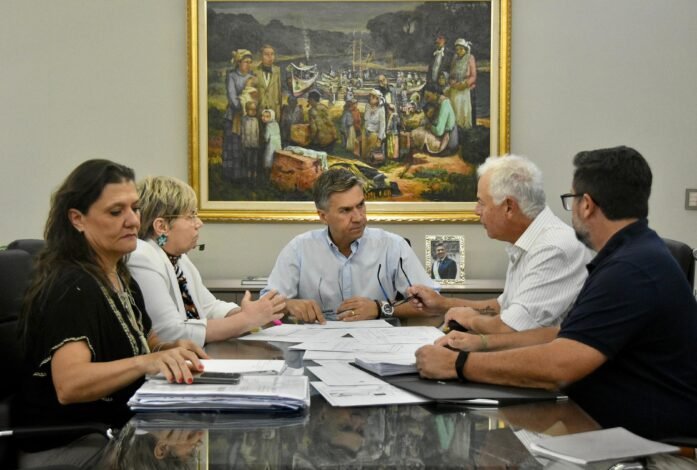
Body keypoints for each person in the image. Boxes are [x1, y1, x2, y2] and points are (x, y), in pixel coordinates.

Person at [415, 146, 697, 440]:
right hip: (598, 425)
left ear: (586, 205)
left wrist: (458, 364)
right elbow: (565, 335)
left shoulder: (630, 270)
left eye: (571, 199)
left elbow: (559, 365)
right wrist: (480, 344)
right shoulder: (631, 256)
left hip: (648, 446)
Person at [17, 160, 208, 467]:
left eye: (135, 208)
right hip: (76, 442)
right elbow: (70, 384)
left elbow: (144, 341)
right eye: (116, 212)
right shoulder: (70, 286)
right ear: (78, 219)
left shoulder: (120, 275)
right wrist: (146, 361)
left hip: (117, 429)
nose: (133, 221)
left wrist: (169, 349)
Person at [409, 155, 589, 337]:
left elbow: (511, 328)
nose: (476, 211)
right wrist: (442, 304)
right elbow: (504, 307)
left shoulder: (553, 248)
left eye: (481, 203)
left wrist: (470, 319)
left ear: (509, 207)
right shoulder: (529, 240)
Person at [261, 168, 436, 324]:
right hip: (318, 341)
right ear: (323, 216)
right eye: (345, 210)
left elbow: (432, 303)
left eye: (361, 205)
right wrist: (289, 304)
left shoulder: (393, 246)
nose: (359, 217)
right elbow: (265, 304)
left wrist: (379, 308)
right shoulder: (299, 249)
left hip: (379, 342)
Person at [128, 176, 285, 347]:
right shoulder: (142, 257)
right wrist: (247, 319)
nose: (199, 223)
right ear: (162, 226)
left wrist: (250, 313)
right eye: (191, 216)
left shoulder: (179, 259)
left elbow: (209, 307)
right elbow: (170, 333)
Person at [222, 49, 255, 181]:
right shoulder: (232, 76)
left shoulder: (251, 77)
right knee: (233, 145)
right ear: (239, 62)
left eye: (250, 62)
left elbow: (254, 95)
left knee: (245, 146)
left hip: (247, 118)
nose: (248, 65)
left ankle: (244, 175)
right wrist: (243, 106)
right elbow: (232, 97)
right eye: (246, 62)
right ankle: (231, 175)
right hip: (233, 116)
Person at [410, 83, 458, 155]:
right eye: (425, 97)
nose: (426, 99)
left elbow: (439, 131)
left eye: (428, 96)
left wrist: (429, 126)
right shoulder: (437, 101)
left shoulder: (444, 104)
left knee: (416, 133)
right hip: (441, 134)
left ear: (435, 94)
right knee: (416, 131)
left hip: (447, 141)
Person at [447, 38, 476, 130]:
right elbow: (451, 75)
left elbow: (473, 76)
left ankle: (463, 126)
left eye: (461, 49)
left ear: (465, 49)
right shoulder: (455, 58)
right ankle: (454, 126)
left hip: (464, 88)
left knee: (462, 107)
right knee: (453, 105)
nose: (458, 51)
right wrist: (452, 82)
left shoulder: (470, 58)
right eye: (457, 49)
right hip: (455, 86)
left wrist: (464, 84)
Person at [254, 44, 282, 122]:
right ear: (261, 57)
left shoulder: (277, 71)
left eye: (272, 54)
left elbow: (279, 91)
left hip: (274, 108)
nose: (270, 57)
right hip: (260, 109)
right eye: (266, 54)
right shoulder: (255, 72)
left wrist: (279, 109)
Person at [361, 89, 386, 161]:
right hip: (366, 130)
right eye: (370, 96)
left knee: (372, 152)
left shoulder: (381, 109)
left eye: (372, 97)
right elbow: (366, 118)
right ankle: (364, 159)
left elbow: (382, 125)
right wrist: (370, 111)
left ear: (377, 99)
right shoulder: (368, 106)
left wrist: (379, 139)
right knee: (364, 153)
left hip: (375, 133)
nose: (370, 98)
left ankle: (372, 161)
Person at [261, 108, 281, 180]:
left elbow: (266, 137)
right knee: (275, 158)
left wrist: (264, 139)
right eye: (263, 116)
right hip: (277, 143)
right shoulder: (276, 124)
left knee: (268, 158)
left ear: (272, 117)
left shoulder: (268, 125)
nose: (264, 118)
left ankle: (267, 176)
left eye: (267, 117)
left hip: (271, 144)